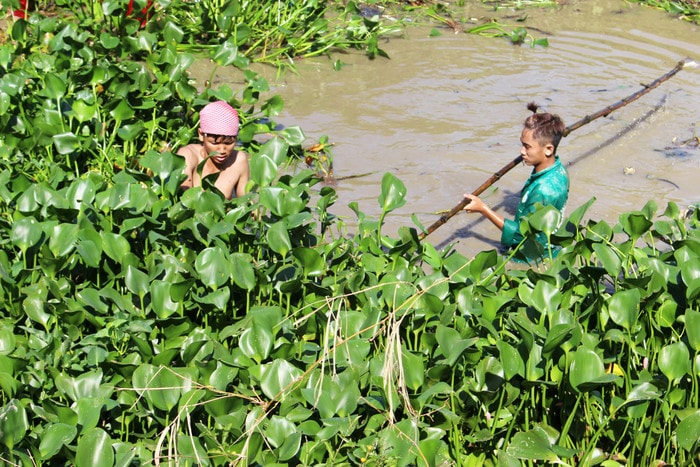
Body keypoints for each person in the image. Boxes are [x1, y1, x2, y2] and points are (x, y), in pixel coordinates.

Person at [463, 102, 569, 260]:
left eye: (527, 147)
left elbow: (521, 235)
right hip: (551, 247)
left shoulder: (543, 190)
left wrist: (483, 208)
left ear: (548, 149)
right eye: (522, 145)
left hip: (532, 256)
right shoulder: (559, 170)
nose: (522, 151)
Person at [178, 100, 249, 199]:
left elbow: (245, 202)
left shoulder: (239, 160)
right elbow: (184, 199)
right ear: (201, 135)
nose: (222, 150)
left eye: (228, 143)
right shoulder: (188, 155)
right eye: (214, 143)